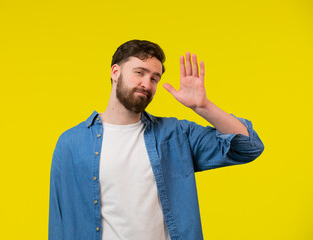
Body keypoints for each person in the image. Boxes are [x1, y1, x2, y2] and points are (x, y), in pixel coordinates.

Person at [48, 39, 264, 240]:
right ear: (116, 72)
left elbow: (247, 147)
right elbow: (58, 222)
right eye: (139, 72)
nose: (147, 84)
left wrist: (203, 106)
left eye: (154, 78)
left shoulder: (176, 134)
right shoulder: (71, 143)